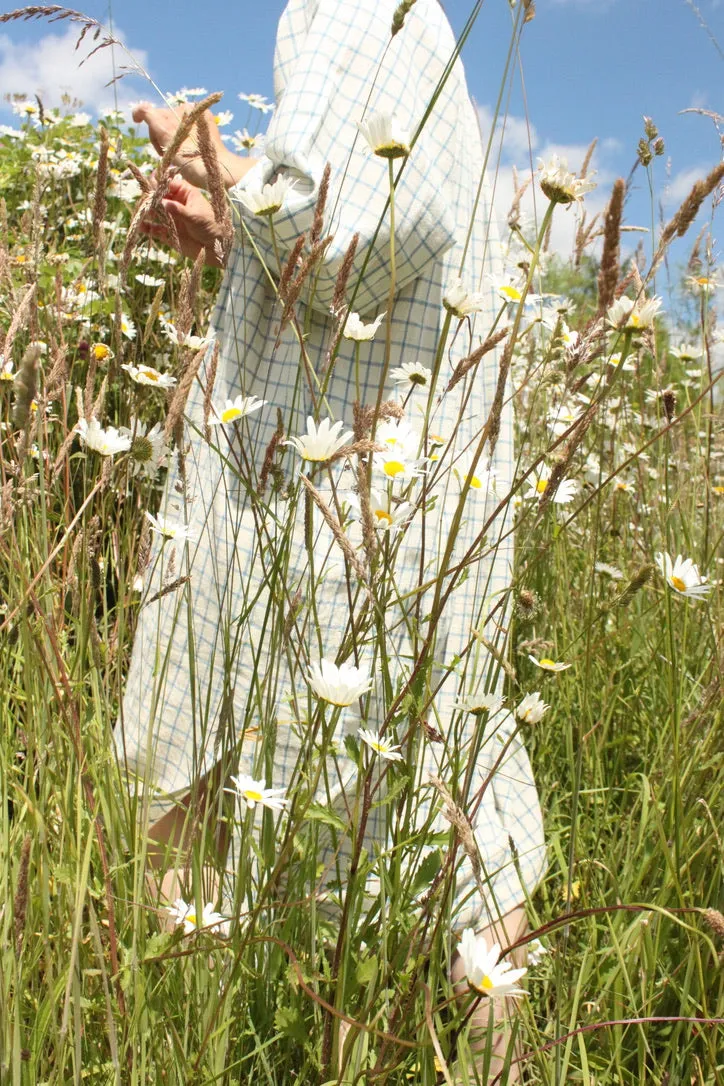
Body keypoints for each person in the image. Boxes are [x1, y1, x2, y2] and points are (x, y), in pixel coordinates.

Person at [121, 0, 546, 1076]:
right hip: (385, 482)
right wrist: (227, 225)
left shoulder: (355, 10)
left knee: (232, 776)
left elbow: (338, 247)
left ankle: (199, 1049)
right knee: (436, 800)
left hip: (331, 489)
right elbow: (355, 252)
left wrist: (219, 168)